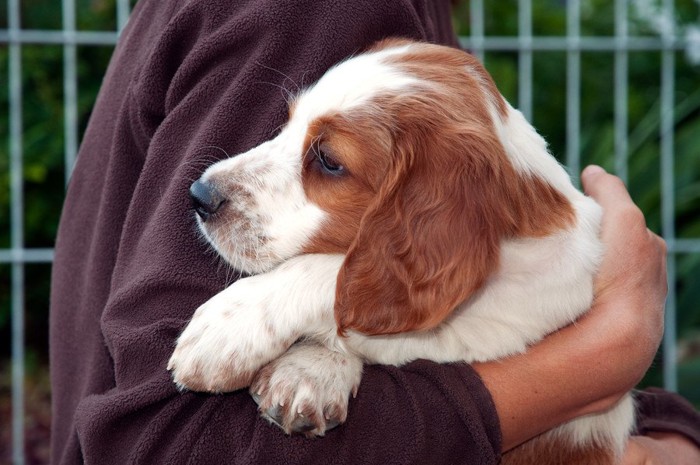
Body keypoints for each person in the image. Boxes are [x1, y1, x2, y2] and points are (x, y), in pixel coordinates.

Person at [49, 0, 700, 463]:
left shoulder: (418, 61)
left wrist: (670, 432)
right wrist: (607, 351)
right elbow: (163, 441)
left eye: (324, 161)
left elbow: (440, 281)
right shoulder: (311, 13)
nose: (220, 181)